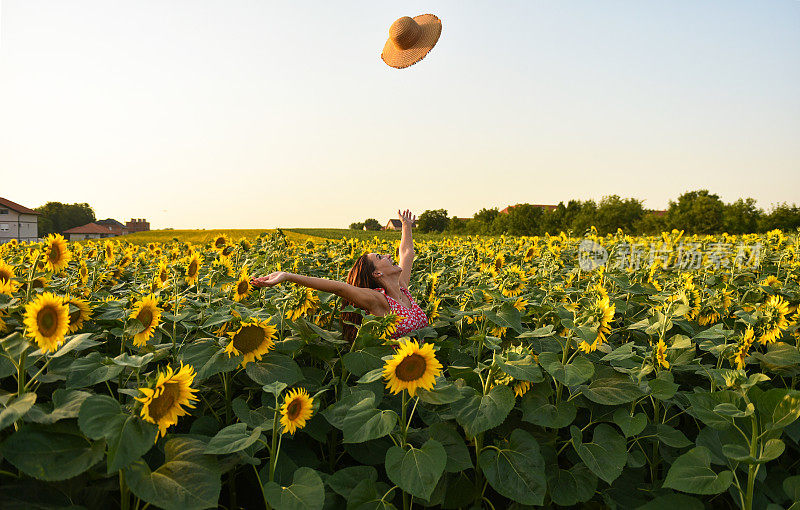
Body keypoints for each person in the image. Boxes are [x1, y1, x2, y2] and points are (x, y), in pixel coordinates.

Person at [250, 210, 429, 342]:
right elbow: (339, 287)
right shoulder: (379, 300)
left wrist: (406, 226)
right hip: (397, 378)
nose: (389, 256)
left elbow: (406, 252)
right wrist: (287, 276)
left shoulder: (403, 289)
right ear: (377, 273)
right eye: (380, 257)